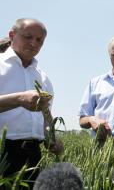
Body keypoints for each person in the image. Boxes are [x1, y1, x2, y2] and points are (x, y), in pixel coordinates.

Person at [0, 18, 63, 188]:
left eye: (39, 40)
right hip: (2, 151)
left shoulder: (43, 77)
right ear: (12, 35)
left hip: (33, 155)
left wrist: (51, 137)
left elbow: (46, 115)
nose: (33, 43)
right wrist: (19, 99)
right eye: (28, 36)